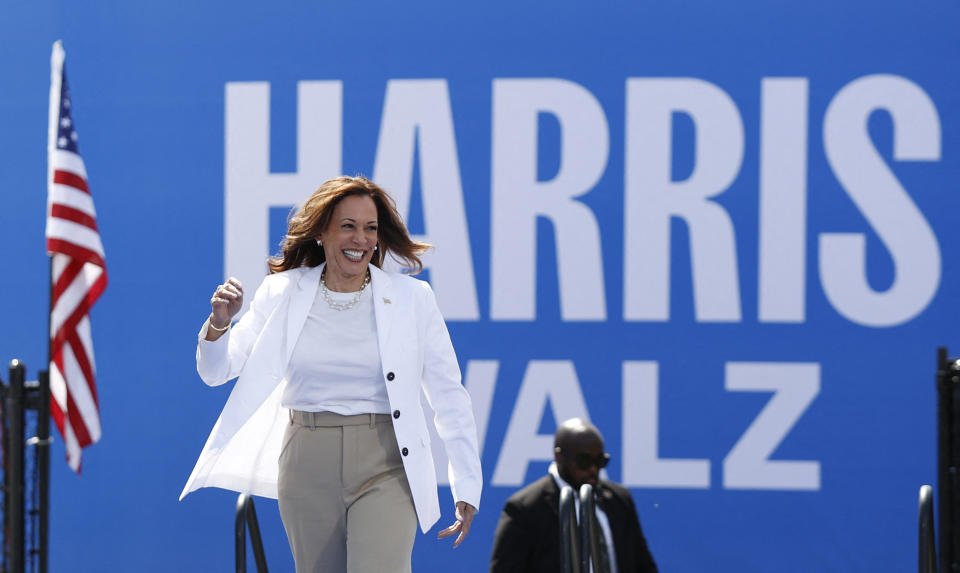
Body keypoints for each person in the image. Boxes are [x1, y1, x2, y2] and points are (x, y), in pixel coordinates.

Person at [180, 176, 482, 573]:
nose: (361, 239)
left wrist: (466, 481)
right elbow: (217, 372)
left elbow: (449, 395)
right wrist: (220, 324)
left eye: (370, 228)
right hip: (306, 461)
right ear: (322, 232)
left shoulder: (413, 299)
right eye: (348, 226)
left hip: (388, 463)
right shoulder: (281, 291)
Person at [489, 418, 657, 573]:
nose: (593, 469)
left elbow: (643, 564)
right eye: (584, 461)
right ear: (559, 456)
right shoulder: (525, 508)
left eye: (600, 461)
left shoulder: (619, 499)